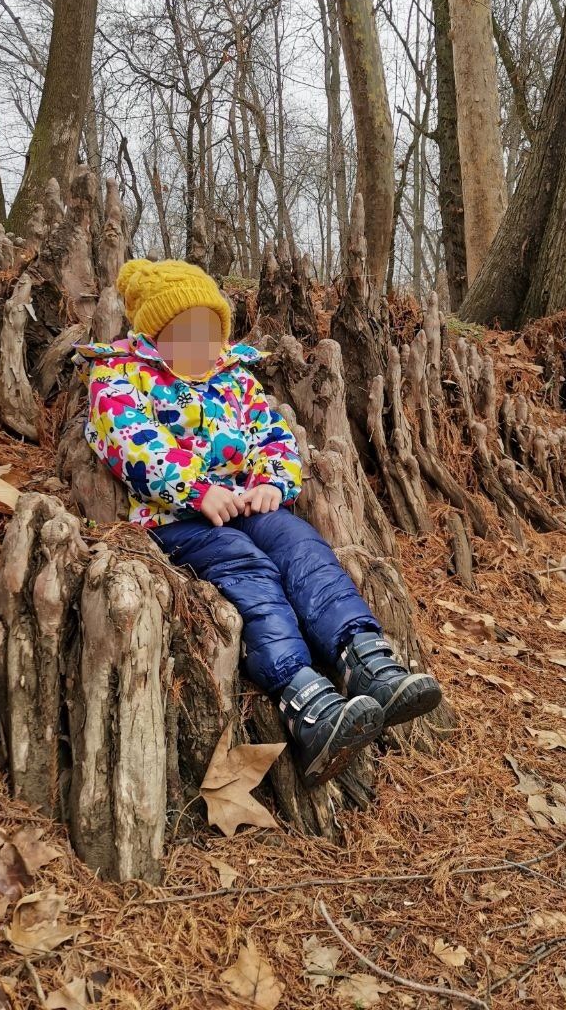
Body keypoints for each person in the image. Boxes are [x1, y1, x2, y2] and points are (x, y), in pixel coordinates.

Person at [76, 259, 442, 785]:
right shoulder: (120, 377)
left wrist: (273, 480)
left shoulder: (234, 377)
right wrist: (198, 491)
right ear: (155, 335)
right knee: (248, 571)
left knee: (301, 546)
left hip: (248, 504)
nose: (199, 344)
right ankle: (304, 697)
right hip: (177, 519)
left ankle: (364, 657)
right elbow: (132, 443)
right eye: (184, 332)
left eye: (209, 330)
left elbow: (275, 436)